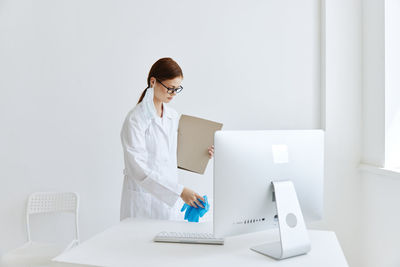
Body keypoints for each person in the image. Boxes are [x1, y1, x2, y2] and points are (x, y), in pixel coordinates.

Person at [120, 57, 214, 220]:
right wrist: (180, 191)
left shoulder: (172, 116)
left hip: (168, 202)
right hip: (142, 202)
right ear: (153, 82)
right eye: (170, 88)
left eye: (177, 89)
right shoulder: (135, 119)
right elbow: (138, 170)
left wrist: (202, 152)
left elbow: (173, 156)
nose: (173, 94)